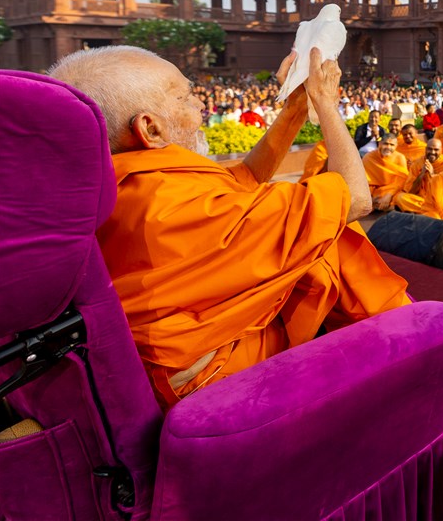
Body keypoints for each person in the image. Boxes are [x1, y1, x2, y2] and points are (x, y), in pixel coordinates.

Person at [49, 45, 414, 408]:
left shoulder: (113, 179)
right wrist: (325, 103)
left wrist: (295, 109)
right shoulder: (171, 202)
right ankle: (419, 346)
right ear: (151, 128)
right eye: (186, 97)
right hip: (205, 375)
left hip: (134, 362)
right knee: (329, 241)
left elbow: (243, 179)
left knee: (299, 219)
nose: (201, 107)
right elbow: (354, 199)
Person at [362, 133, 410, 212]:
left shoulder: (400, 157)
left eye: (392, 145)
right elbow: (365, 182)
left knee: (400, 198)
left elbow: (403, 180)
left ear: (396, 146)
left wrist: (389, 195)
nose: (388, 147)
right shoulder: (368, 157)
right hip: (376, 191)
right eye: (385, 144)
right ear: (380, 143)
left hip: (393, 190)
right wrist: (370, 198)